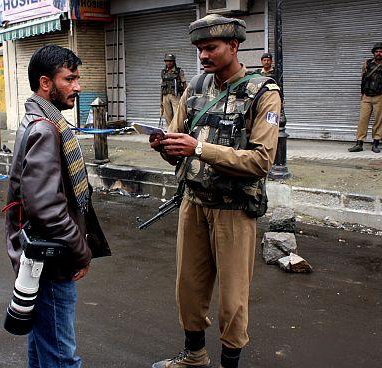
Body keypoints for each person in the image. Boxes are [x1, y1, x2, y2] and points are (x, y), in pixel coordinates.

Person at [150, 14, 281, 368]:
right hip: (193, 203)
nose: (203, 55)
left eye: (211, 47)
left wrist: (197, 148)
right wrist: (164, 145)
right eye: (199, 49)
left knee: (233, 300)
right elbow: (178, 146)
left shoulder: (262, 93)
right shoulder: (194, 88)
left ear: (234, 46)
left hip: (234, 210)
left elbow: (261, 161)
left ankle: (230, 364)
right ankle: (194, 356)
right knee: (188, 289)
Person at [4, 44, 110, 368]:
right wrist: (81, 250)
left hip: (41, 258)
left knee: (43, 349)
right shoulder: (45, 129)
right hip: (51, 262)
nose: (78, 87)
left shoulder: (40, 120)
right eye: (70, 79)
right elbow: (48, 208)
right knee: (63, 358)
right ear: (46, 83)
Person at [348, 42, 382, 153]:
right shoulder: (367, 64)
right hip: (367, 96)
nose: (378, 53)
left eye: (381, 51)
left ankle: (375, 144)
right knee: (362, 120)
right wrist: (362, 93)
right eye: (376, 51)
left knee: (379, 121)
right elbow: (363, 79)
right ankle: (359, 143)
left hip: (381, 97)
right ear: (373, 53)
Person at [161, 53, 187, 126]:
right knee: (167, 116)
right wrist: (161, 100)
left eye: (170, 61)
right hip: (165, 96)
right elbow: (162, 86)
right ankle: (170, 131)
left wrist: (185, 97)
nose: (168, 63)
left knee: (177, 115)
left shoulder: (179, 71)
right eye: (167, 61)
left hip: (175, 96)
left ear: (174, 62)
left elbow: (184, 84)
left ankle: (177, 130)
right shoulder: (163, 72)